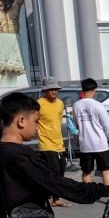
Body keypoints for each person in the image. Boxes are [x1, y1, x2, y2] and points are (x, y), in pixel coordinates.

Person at [73, 78, 109, 186]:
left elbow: (76, 123)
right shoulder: (98, 105)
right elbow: (107, 126)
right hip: (100, 144)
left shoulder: (76, 106)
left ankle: (91, 194)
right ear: (94, 90)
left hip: (85, 144)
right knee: (106, 170)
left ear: (83, 90)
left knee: (86, 171)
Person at [37, 77, 70, 208]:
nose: (54, 92)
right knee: (53, 171)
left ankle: (55, 198)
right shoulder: (39, 104)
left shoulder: (60, 104)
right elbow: (33, 119)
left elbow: (58, 121)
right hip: (46, 144)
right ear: (45, 91)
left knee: (61, 170)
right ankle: (49, 197)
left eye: (56, 89)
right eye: (51, 89)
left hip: (59, 144)